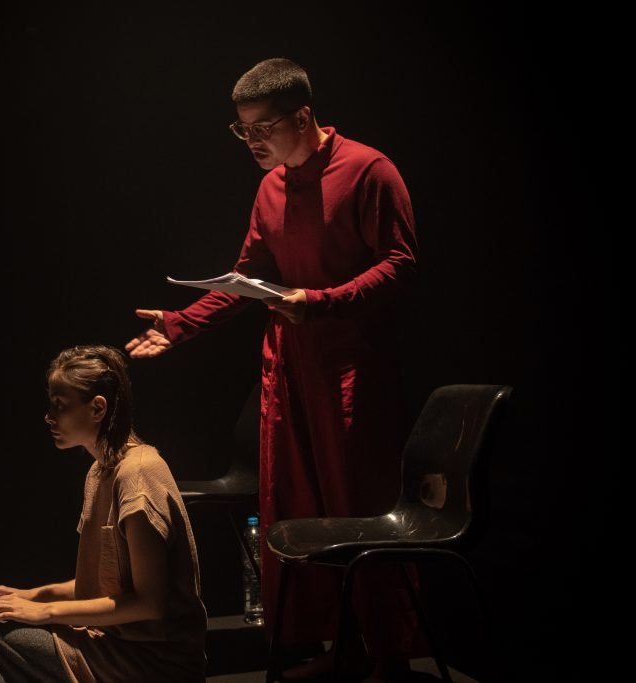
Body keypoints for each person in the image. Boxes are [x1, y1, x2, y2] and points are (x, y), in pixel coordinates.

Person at [125, 59, 420, 681]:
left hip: (349, 372)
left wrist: (318, 302)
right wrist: (180, 324)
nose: (253, 141)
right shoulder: (271, 187)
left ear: (304, 116)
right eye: (242, 130)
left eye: (264, 127)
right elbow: (249, 279)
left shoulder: (368, 169)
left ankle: (385, 655)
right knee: (294, 506)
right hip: (287, 369)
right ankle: (332, 646)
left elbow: (398, 264)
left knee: (353, 506)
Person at [0, 345, 208, 683]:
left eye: (59, 406)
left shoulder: (139, 473)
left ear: (97, 408)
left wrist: (46, 612)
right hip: (113, 644)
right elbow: (101, 585)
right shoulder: (99, 472)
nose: (48, 417)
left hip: (152, 661)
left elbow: (149, 604)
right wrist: (27, 595)